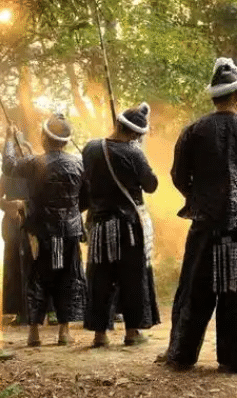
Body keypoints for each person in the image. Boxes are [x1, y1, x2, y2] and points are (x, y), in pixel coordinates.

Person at [162, 58, 237, 372]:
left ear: (216, 97)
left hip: (205, 222)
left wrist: (200, 199)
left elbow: (178, 175)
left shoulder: (193, 131)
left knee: (195, 289)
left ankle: (181, 355)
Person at [1, 114, 87, 346]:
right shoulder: (79, 164)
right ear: (66, 141)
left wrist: (9, 139)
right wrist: (71, 211)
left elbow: (8, 165)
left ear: (44, 138)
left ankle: (34, 333)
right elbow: (86, 198)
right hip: (69, 231)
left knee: (37, 278)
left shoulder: (34, 163)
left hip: (40, 233)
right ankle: (64, 332)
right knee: (67, 278)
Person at [82, 102, 161, 347]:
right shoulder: (135, 153)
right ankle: (132, 332)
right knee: (132, 278)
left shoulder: (91, 148)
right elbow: (151, 185)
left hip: (100, 225)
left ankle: (100, 335)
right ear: (136, 134)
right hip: (129, 228)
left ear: (117, 123)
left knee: (100, 278)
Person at [0, 139, 33, 325]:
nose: (19, 155)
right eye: (15, 152)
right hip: (12, 224)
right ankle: (17, 310)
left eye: (23, 151)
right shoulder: (7, 176)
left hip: (32, 221)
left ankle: (39, 310)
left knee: (33, 263)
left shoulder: (36, 172)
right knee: (14, 263)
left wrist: (24, 206)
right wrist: (7, 206)